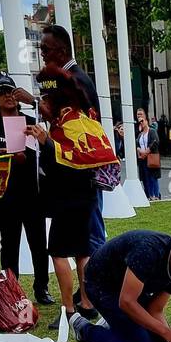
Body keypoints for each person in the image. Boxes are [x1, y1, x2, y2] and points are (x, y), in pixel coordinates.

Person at [26, 67, 104, 330]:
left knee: (59, 253)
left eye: (45, 100)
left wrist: (45, 142)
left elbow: (62, 162)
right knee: (83, 251)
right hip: (87, 196)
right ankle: (87, 302)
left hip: (68, 198)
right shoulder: (84, 116)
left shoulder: (63, 125)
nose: (43, 105)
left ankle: (68, 309)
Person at [0, 72, 53, 306]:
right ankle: (11, 288)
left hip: (32, 192)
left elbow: (44, 153)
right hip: (4, 194)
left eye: (11, 92)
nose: (8, 97)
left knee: (38, 242)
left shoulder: (29, 121)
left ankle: (41, 287)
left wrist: (30, 152)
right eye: (2, 93)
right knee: (9, 244)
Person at [22, 24, 106, 256]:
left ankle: (97, 285)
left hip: (82, 168)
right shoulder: (69, 79)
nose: (43, 55)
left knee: (91, 234)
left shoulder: (75, 80)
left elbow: (76, 123)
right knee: (87, 237)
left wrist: (36, 104)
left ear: (61, 51)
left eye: (45, 50)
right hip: (78, 168)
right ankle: (91, 287)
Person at [136, 109, 161, 200]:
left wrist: (146, 151)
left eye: (143, 121)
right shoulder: (140, 134)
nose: (141, 122)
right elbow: (137, 144)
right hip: (143, 159)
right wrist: (140, 151)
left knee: (153, 177)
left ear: (146, 121)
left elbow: (155, 142)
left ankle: (156, 195)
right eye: (138, 115)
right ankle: (149, 195)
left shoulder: (152, 131)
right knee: (145, 178)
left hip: (151, 157)